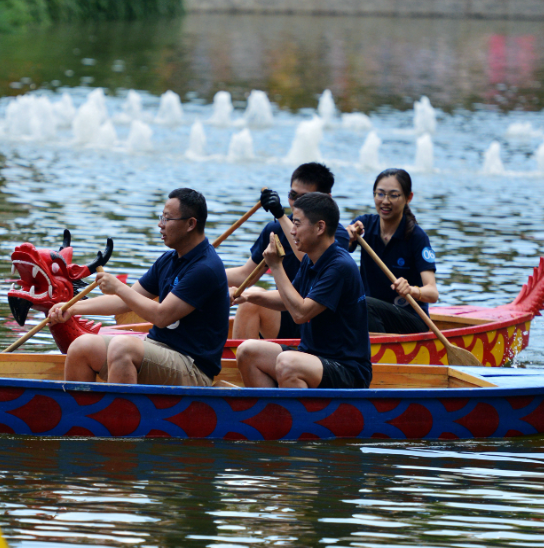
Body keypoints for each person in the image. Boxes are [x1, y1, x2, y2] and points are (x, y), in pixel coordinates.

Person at [48, 188, 229, 387]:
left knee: (123, 347)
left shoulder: (206, 267)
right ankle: (81, 416)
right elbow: (123, 301)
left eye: (167, 219)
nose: (160, 225)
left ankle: (122, 417)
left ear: (190, 224)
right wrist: (70, 308)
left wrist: (118, 287)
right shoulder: (169, 260)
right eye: (161, 217)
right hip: (158, 350)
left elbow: (162, 316)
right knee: (81, 346)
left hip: (192, 368)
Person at [234, 193, 371, 389]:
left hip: (347, 369)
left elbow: (300, 313)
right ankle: (270, 415)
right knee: (247, 351)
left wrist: (277, 266)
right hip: (312, 358)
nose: (292, 231)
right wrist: (248, 296)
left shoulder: (340, 267)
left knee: (288, 363)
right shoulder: (310, 258)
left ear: (320, 227)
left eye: (297, 224)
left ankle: (296, 419)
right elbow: (288, 299)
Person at [227, 162, 348, 340]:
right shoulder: (274, 229)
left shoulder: (335, 234)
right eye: (292, 195)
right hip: (286, 310)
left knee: (252, 296)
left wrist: (280, 215)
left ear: (325, 199)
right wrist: (202, 272)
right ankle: (241, 363)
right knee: (250, 300)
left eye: (305, 198)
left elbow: (307, 257)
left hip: (319, 319)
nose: (296, 203)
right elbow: (247, 275)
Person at [344, 168, 438, 334]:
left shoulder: (417, 237)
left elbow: (432, 293)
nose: (385, 201)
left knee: (364, 304)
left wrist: (412, 290)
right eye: (380, 194)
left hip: (411, 319)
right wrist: (347, 236)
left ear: (409, 198)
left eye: (393, 195)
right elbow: (333, 247)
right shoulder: (364, 226)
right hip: (369, 311)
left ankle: (374, 350)